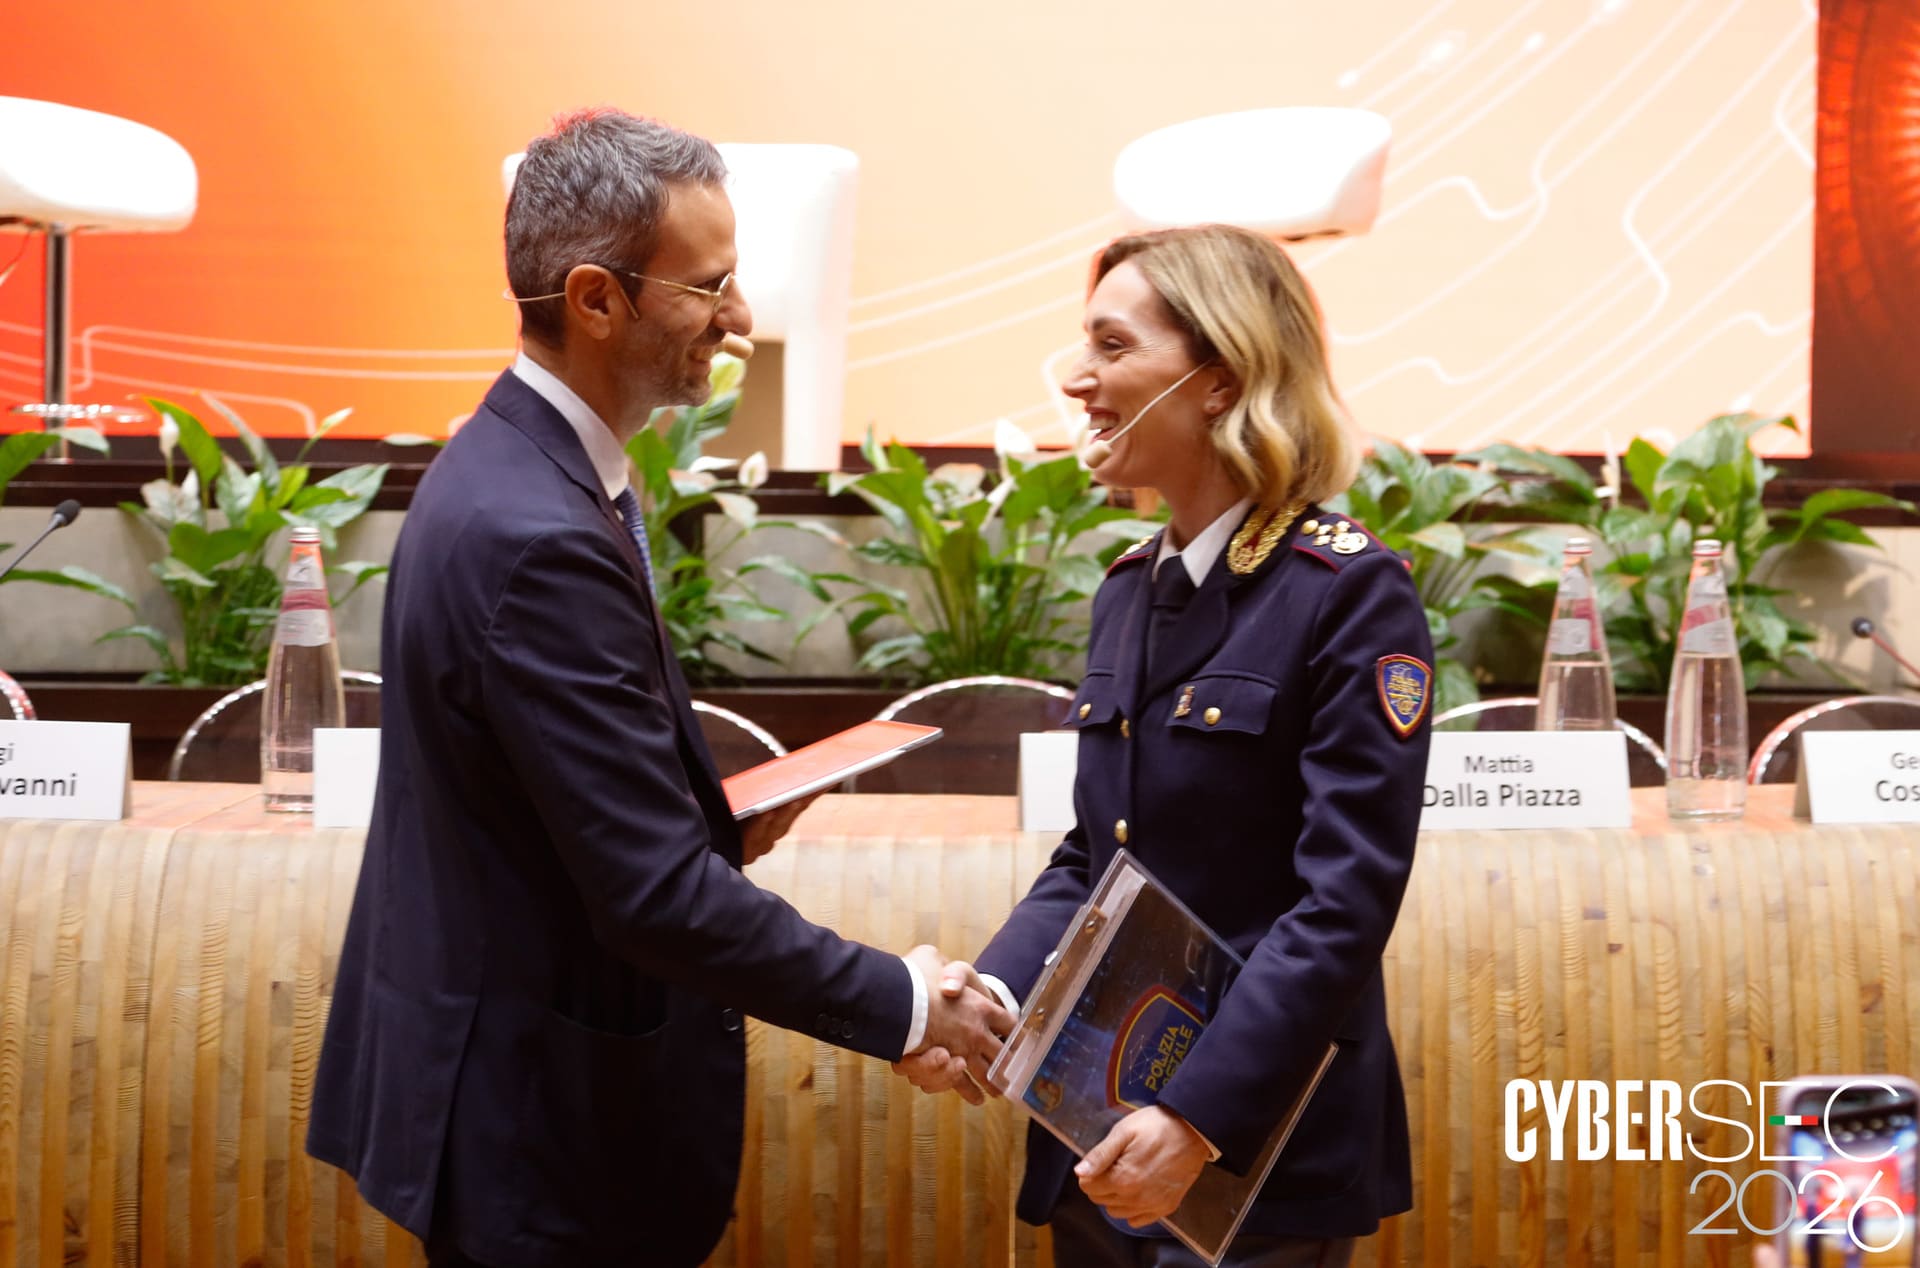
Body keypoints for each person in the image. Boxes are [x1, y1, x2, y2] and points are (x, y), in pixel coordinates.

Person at [306, 108, 1011, 1268]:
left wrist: (705, 821)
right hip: (541, 1133)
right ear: (596, 299)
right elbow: (651, 894)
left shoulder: (519, 469)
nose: (741, 318)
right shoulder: (537, 528)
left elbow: (549, 807)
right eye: (710, 284)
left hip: (519, 1108)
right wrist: (905, 1002)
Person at [899, 224, 1434, 1267]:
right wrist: (993, 1004)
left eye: (1111, 347)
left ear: (1220, 378)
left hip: (1250, 1152)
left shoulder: (1347, 590)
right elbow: (1094, 860)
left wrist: (1198, 1115)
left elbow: (1342, 901)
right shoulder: (1130, 590)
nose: (1077, 379)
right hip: (1094, 1125)